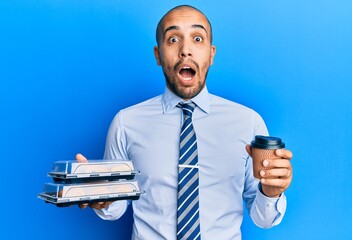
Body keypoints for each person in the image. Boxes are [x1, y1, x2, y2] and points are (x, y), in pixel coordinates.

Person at [76, 4, 293, 239]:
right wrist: (102, 198)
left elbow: (263, 218)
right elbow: (115, 210)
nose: (185, 50)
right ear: (158, 55)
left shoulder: (248, 122)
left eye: (197, 38)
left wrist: (271, 193)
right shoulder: (125, 123)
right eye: (173, 40)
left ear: (211, 54)